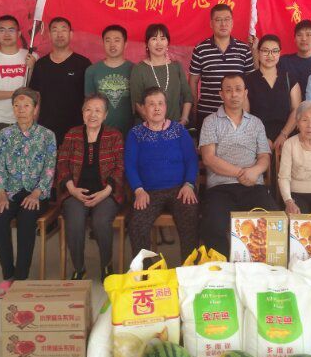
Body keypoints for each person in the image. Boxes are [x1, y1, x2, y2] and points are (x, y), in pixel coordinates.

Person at [199, 74, 276, 258]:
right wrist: (242, 173)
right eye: (228, 90)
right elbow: (209, 158)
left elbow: (264, 157)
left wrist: (255, 171)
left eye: (238, 89)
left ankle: (262, 270)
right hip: (220, 188)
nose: (234, 94)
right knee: (213, 225)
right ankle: (222, 268)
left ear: (245, 93)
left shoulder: (256, 123)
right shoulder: (210, 121)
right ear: (221, 94)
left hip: (253, 187)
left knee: (274, 220)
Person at [0, 87, 56, 298]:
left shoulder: (47, 136)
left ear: (35, 109)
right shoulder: (4, 135)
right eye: (17, 106)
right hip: (9, 192)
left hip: (36, 193)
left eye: (26, 105)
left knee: (27, 218)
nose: (21, 110)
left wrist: (36, 193)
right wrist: (1, 194)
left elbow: (49, 169)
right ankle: (8, 274)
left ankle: (21, 277)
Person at [125, 87, 199, 260]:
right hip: (148, 192)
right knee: (137, 224)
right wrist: (138, 190)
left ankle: (189, 270)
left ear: (166, 107)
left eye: (160, 103)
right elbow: (130, 165)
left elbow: (191, 160)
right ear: (143, 108)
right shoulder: (135, 133)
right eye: (151, 104)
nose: (156, 108)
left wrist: (189, 184)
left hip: (179, 189)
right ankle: (147, 271)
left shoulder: (179, 130)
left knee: (190, 216)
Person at [56, 93, 124, 281]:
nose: (92, 114)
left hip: (106, 193)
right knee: (75, 221)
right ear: (82, 113)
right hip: (76, 192)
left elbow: (120, 167)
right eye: (88, 110)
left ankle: (107, 265)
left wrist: (106, 191)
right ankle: (79, 268)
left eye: (98, 110)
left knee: (101, 222)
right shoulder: (72, 134)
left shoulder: (114, 135)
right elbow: (62, 163)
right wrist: (72, 189)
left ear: (105, 115)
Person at [0, 15, 35, 162]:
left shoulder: (32, 57)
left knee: (28, 170)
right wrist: (16, 94)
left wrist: (33, 68)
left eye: (11, 30)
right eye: (2, 30)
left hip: (28, 122)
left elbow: (39, 89)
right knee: (0, 171)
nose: (7, 34)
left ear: (19, 33)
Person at [190, 4, 255, 130]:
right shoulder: (200, 49)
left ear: (232, 22)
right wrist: (194, 109)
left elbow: (251, 81)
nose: (223, 24)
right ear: (211, 24)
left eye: (227, 19)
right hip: (207, 113)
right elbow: (193, 81)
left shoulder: (244, 49)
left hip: (237, 115)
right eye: (218, 20)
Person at [29, 17, 91, 148]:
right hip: (46, 131)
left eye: (63, 30)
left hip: (76, 130)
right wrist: (33, 126)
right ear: (49, 35)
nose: (59, 34)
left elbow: (89, 98)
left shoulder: (83, 64)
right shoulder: (41, 65)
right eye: (55, 30)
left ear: (71, 34)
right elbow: (36, 98)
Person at [244, 34, 302, 152]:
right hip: (256, 140)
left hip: (287, 139)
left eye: (275, 51)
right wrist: (261, 138)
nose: (270, 55)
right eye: (265, 51)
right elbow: (245, 115)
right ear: (258, 52)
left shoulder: (289, 79)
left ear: (279, 53)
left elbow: (296, 110)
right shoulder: (248, 81)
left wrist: (284, 134)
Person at [130, 23, 193, 125]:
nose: (159, 43)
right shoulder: (139, 69)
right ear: (147, 44)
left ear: (167, 43)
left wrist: (184, 119)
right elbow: (137, 103)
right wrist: (156, 125)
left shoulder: (176, 67)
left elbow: (188, 95)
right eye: (154, 39)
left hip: (175, 126)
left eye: (163, 38)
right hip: (149, 127)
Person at [85, 25, 134, 136]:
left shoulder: (135, 70)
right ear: (103, 43)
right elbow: (89, 104)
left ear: (125, 44)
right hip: (101, 133)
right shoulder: (92, 71)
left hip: (130, 132)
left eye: (117, 40)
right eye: (108, 40)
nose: (112, 45)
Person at [279, 20, 311, 96]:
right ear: (294, 38)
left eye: (308, 35)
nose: (304, 38)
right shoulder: (284, 61)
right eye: (299, 35)